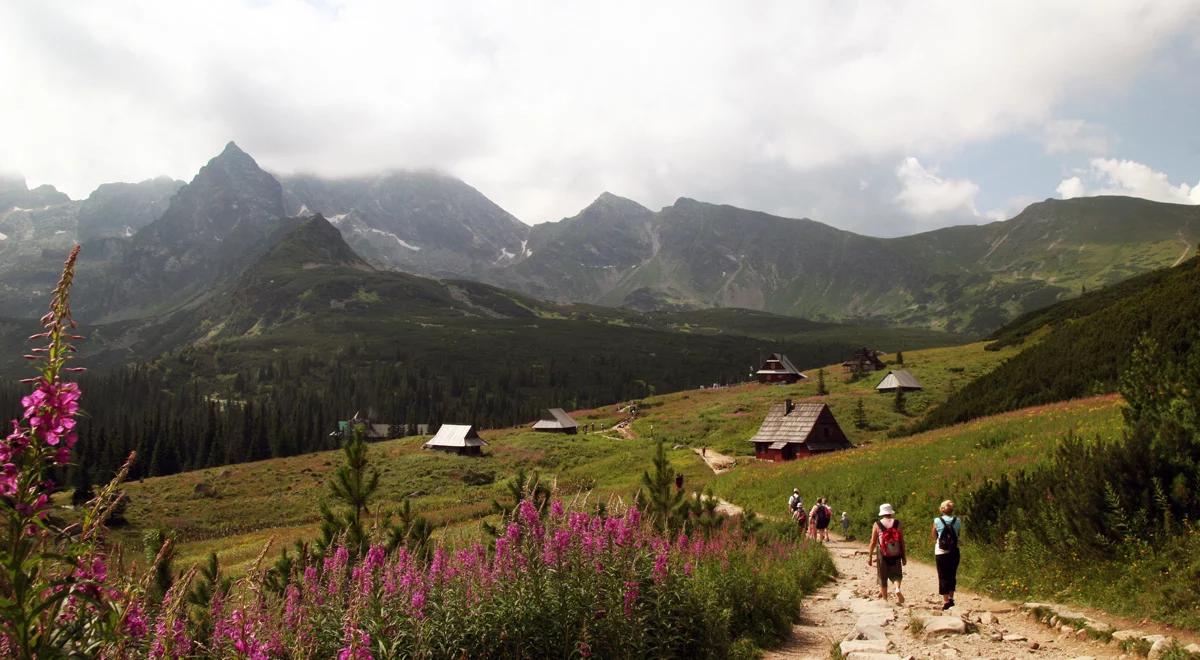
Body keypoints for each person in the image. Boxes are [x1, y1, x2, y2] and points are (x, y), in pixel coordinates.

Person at [868, 503, 906, 603]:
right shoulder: (897, 523)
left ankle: (885, 599)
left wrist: (870, 556)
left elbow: (872, 541)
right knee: (897, 574)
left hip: (882, 553)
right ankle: (897, 588)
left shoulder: (877, 524)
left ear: (882, 513)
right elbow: (901, 541)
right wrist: (904, 557)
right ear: (891, 512)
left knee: (882, 576)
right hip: (896, 553)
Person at [931, 499, 962, 610]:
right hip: (954, 551)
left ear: (942, 509)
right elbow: (957, 535)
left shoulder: (937, 520)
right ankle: (951, 598)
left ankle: (945, 601)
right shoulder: (957, 520)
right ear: (952, 509)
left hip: (941, 552)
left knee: (943, 575)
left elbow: (934, 535)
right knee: (952, 575)